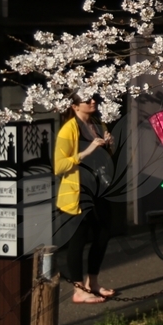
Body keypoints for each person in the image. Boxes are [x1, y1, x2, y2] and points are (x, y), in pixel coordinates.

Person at [55, 100, 116, 304]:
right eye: (86, 100)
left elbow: (106, 157)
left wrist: (109, 145)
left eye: (93, 99)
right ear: (74, 106)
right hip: (77, 191)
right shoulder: (69, 129)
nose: (92, 102)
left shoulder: (98, 125)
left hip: (99, 189)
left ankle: (94, 283)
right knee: (78, 239)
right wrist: (87, 150)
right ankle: (79, 289)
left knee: (103, 234)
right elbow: (59, 166)